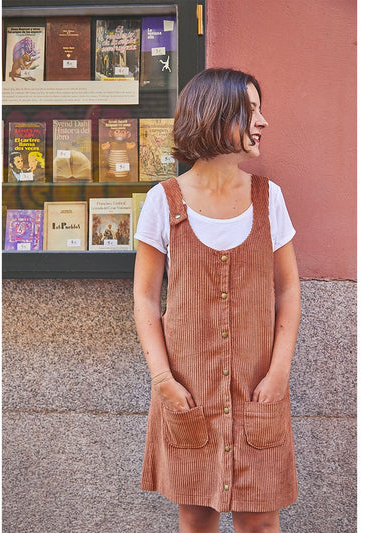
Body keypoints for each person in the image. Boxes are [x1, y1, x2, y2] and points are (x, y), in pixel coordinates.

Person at [133, 68, 300, 533]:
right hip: (188, 391)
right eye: (251, 111)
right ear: (214, 117)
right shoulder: (163, 201)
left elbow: (288, 289)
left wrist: (279, 373)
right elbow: (145, 297)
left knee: (260, 521)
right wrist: (163, 380)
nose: (263, 122)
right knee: (196, 517)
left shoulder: (269, 198)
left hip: (258, 388)